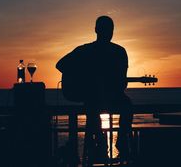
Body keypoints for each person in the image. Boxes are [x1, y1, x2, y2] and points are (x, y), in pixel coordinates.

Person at [56, 16, 133, 159]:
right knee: (95, 99)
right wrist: (83, 76)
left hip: (106, 97)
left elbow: (122, 84)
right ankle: (100, 141)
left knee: (126, 105)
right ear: (97, 30)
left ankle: (117, 141)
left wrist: (107, 85)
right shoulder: (86, 50)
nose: (108, 32)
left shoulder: (119, 52)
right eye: (106, 29)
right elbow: (60, 65)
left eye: (110, 30)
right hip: (93, 97)